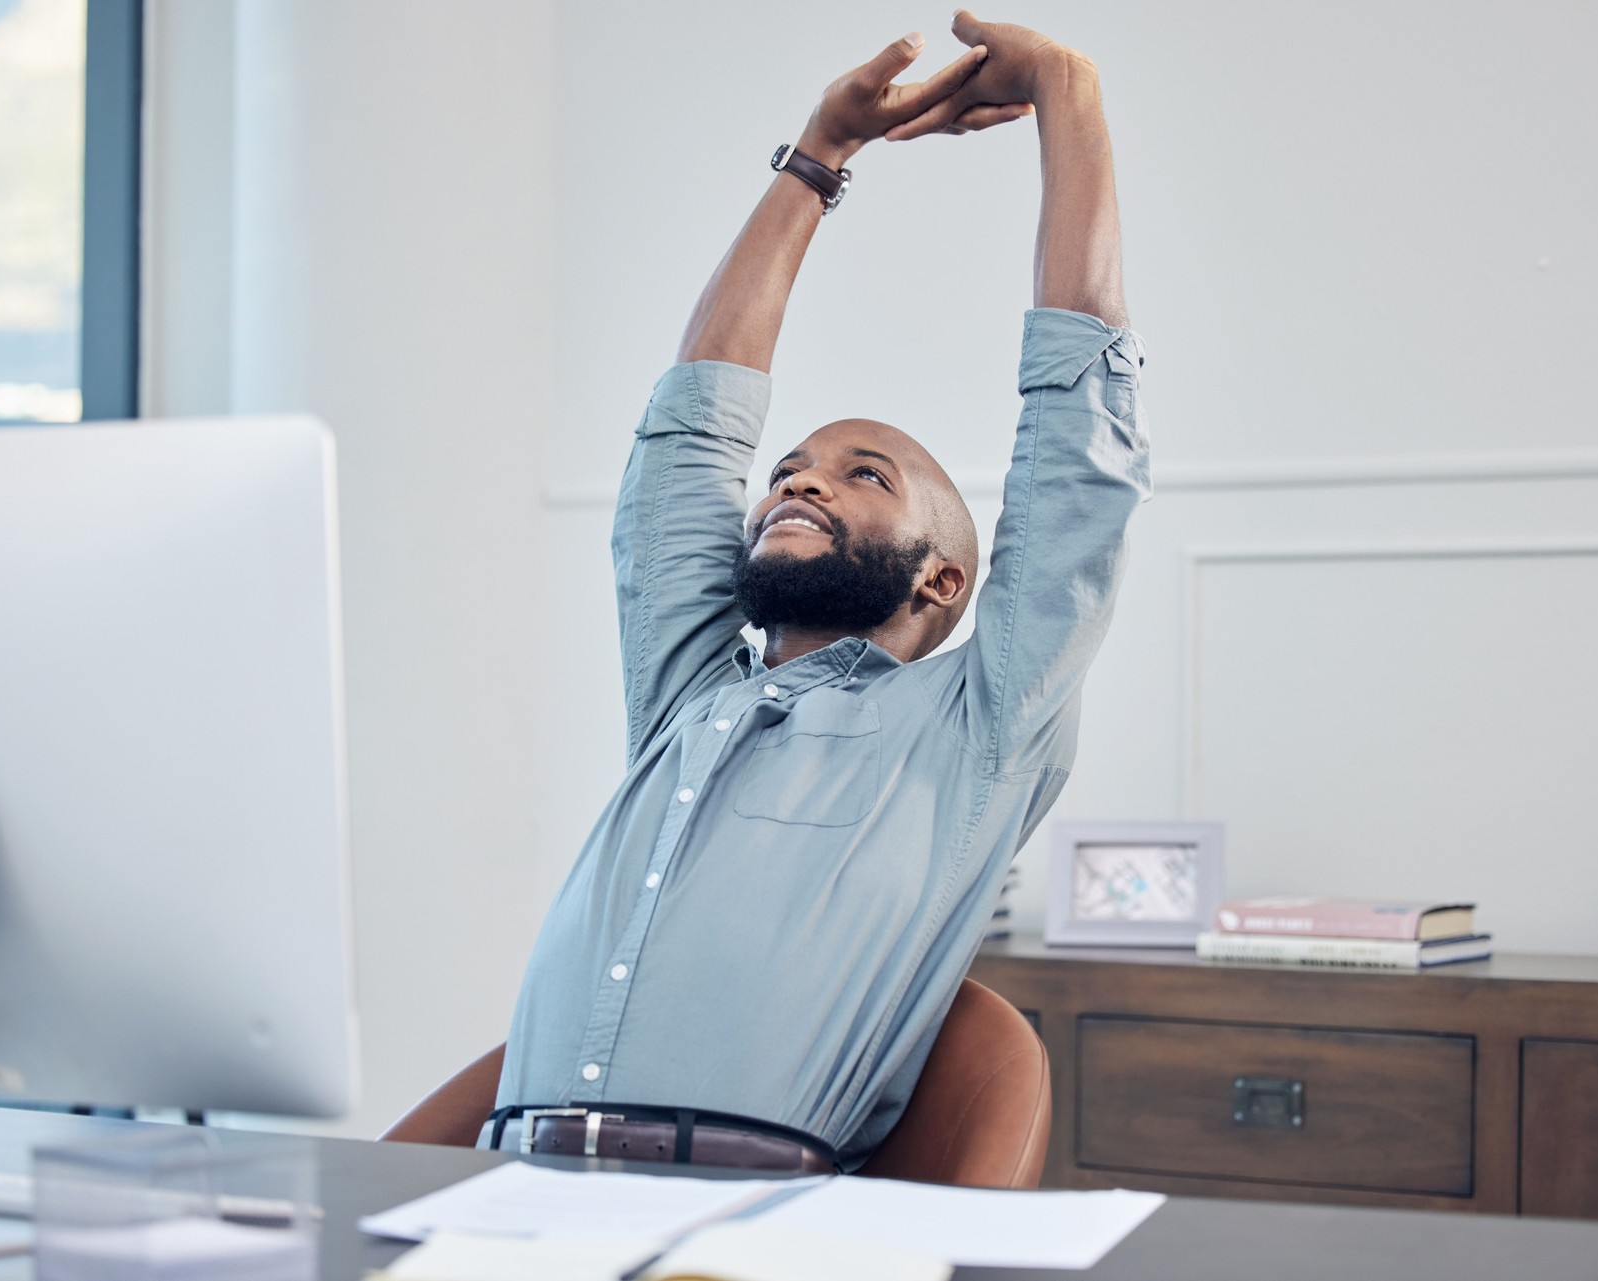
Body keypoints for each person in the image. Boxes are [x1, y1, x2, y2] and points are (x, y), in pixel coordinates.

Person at [401, 11, 1151, 1173]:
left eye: (865, 474)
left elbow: (1080, 449)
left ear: (945, 577)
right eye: (793, 467)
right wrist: (817, 156)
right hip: (507, 1194)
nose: (800, 477)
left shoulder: (976, 728)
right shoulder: (687, 701)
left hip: (744, 1221)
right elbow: (692, 437)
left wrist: (1067, 92)